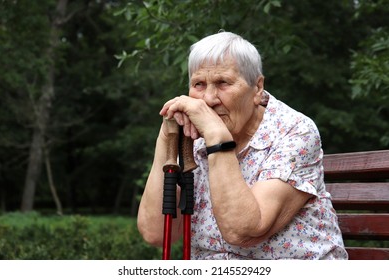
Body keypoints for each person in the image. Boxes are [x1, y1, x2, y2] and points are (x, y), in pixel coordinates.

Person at [137, 31, 348, 260]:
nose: (208, 99)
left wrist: (217, 137)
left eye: (223, 83)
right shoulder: (192, 136)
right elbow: (155, 234)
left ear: (257, 88)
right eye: (199, 84)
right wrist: (166, 140)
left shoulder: (295, 130)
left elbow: (243, 231)